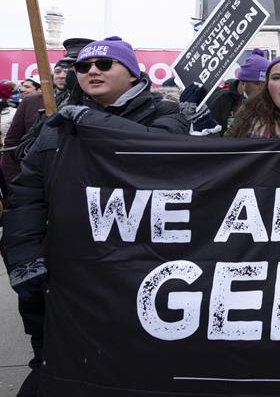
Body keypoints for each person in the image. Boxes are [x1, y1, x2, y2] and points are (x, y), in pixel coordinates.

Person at [0, 36, 189, 397]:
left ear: (132, 74)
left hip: (136, 269)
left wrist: (94, 122)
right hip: (64, 273)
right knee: (54, 368)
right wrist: (25, 259)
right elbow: (26, 195)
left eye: (104, 64)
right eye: (83, 67)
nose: (91, 72)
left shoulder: (166, 113)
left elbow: (164, 150)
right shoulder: (56, 122)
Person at [205, 48, 270, 133]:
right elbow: (209, 138)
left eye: (264, 85)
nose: (261, 90)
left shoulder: (266, 104)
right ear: (243, 81)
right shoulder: (221, 100)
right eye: (257, 83)